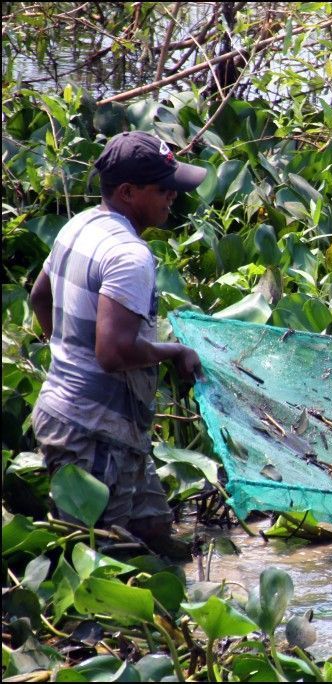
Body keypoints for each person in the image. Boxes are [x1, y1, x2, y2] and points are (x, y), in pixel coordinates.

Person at [29, 131, 208, 553]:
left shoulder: (79, 225)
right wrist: (174, 352)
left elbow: (39, 296)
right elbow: (113, 353)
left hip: (78, 417)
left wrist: (68, 353)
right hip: (92, 434)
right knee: (102, 555)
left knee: (156, 536)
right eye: (163, 189)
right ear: (128, 192)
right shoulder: (130, 255)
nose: (172, 198)